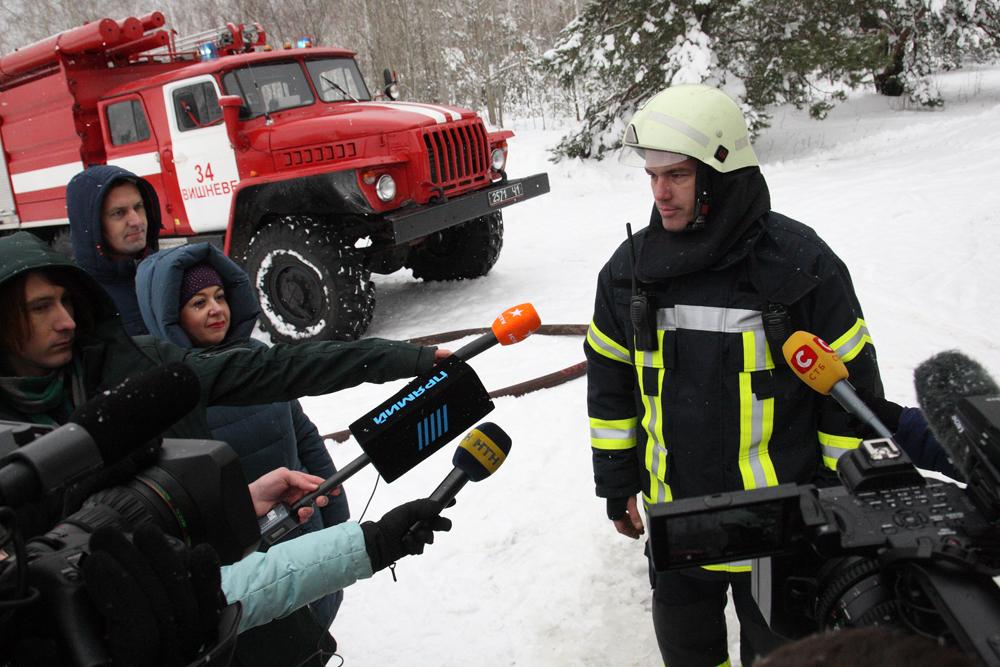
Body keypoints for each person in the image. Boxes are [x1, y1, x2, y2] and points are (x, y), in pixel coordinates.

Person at [0, 230, 450, 665]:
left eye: (65, 301)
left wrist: (408, 359)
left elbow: (280, 369)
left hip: (224, 599)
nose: (66, 321)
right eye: (40, 308)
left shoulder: (140, 366)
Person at [584, 84, 883, 666]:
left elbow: (852, 394)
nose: (660, 194)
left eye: (676, 176)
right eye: (651, 176)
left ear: (721, 177)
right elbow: (611, 384)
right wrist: (617, 482)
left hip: (777, 531)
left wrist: (837, 496)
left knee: (779, 659)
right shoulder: (630, 273)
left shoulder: (799, 265)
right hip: (675, 521)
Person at [134, 243, 350, 653]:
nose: (215, 309)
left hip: (303, 528)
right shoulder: (167, 390)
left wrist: (335, 508)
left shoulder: (257, 358)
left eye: (219, 297)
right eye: (198, 302)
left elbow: (302, 433)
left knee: (316, 626)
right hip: (240, 561)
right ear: (170, 315)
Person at [66, 165, 160, 335]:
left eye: (138, 207)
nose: (136, 221)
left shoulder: (169, 273)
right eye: (118, 213)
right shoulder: (78, 302)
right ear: (93, 225)